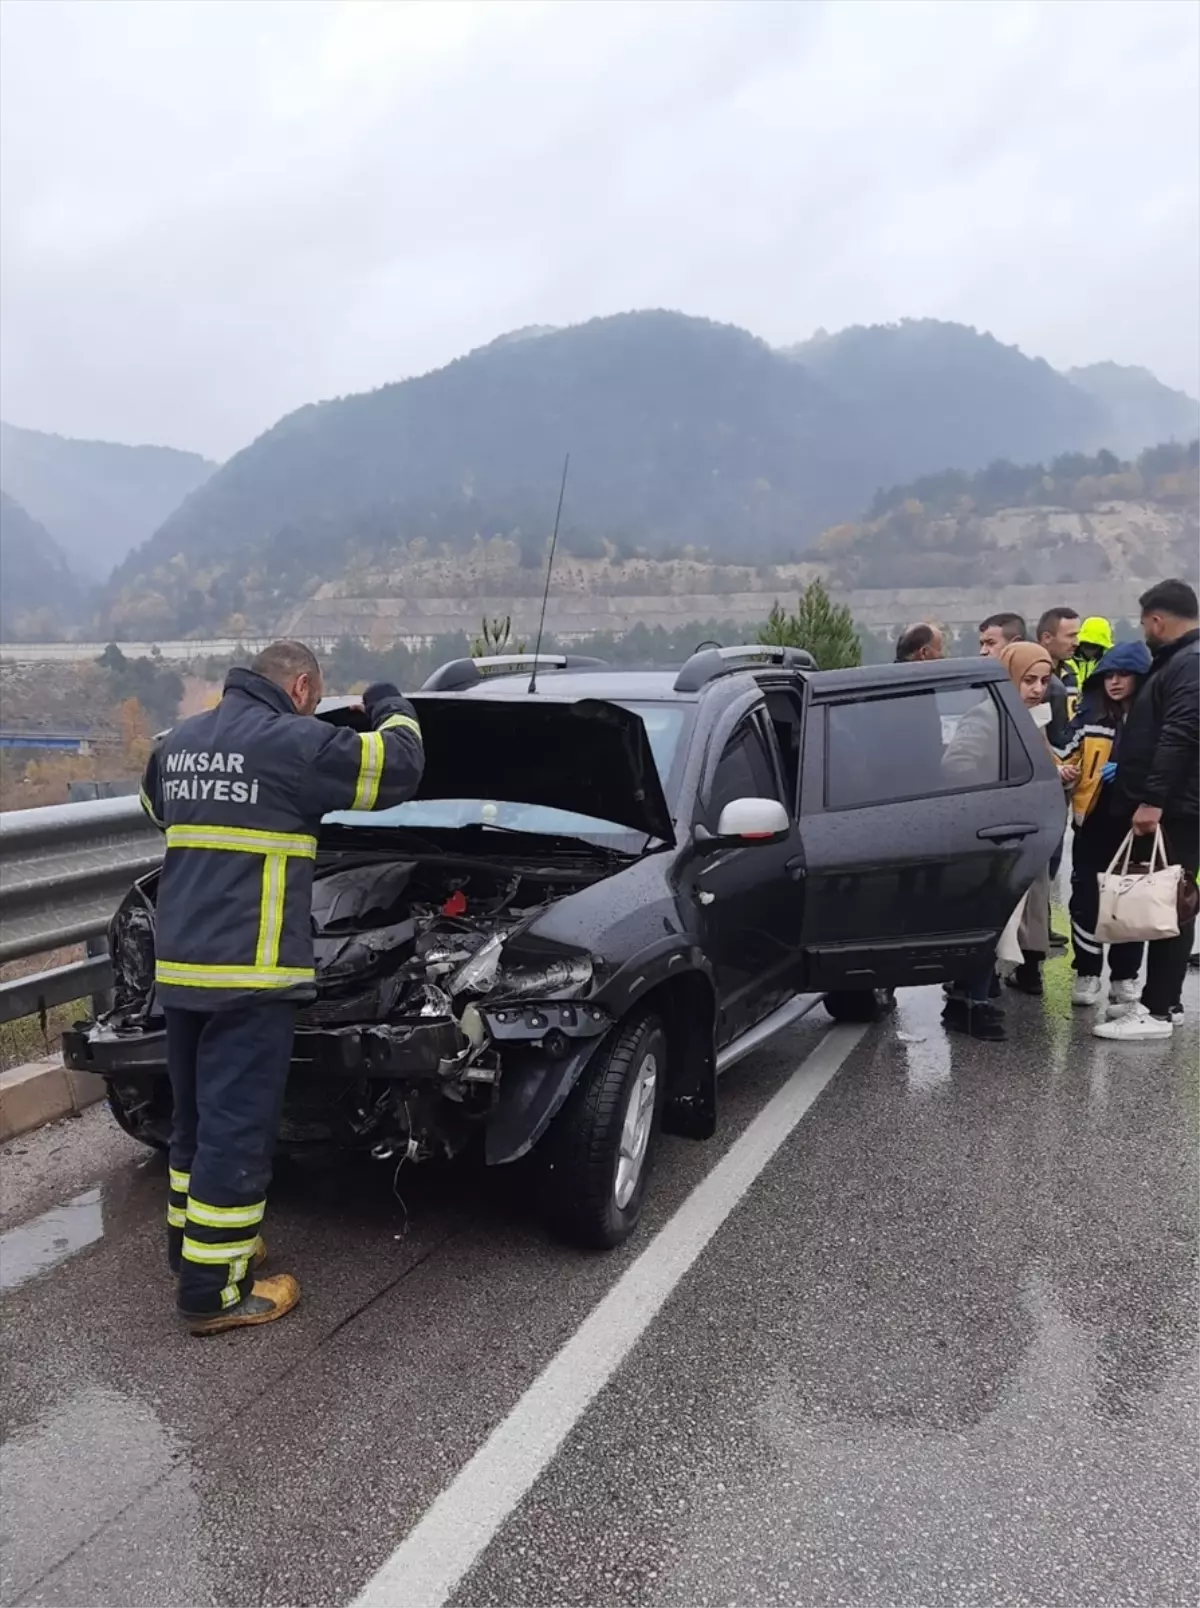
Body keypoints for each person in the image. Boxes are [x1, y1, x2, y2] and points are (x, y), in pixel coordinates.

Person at [139, 641, 425, 1334]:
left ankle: (194, 1249)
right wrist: (387, 701)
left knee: (197, 1124)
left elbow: (156, 808)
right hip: (251, 974)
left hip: (182, 971)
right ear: (301, 687)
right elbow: (398, 769)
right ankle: (215, 1294)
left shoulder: (179, 742)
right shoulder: (294, 744)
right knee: (238, 1130)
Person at [940, 641, 1065, 1038]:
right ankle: (973, 1004)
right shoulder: (988, 716)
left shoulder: (1024, 717)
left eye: (1044, 681)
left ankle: (970, 998)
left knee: (999, 923)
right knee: (989, 921)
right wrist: (1004, 797)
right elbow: (957, 765)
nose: (1037, 689)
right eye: (1029, 680)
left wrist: (1057, 774)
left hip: (1018, 835)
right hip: (993, 836)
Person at [1094, 579, 1200, 1041]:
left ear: (1158, 620)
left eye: (1145, 623)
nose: (1145, 631)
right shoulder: (1181, 661)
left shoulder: (1189, 665)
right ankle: (1166, 1001)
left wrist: (1153, 799)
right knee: (1169, 899)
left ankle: (1158, 1010)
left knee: (1169, 902)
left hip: (1176, 805)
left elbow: (1180, 735)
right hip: (1174, 802)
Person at [1054, 640, 1153, 1008]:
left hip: (1138, 823)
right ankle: (1088, 972)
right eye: (1109, 674)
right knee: (1086, 899)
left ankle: (1125, 977)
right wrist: (1065, 773)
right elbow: (1064, 754)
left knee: (1132, 900)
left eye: (1124, 674)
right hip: (1094, 822)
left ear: (1141, 678)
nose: (1114, 682)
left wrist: (1128, 774)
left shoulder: (1155, 722)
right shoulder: (1089, 719)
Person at [1068, 616, 1114, 687]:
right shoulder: (1066, 661)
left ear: (1101, 647)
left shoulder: (1111, 664)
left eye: (1094, 646)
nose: (1089, 650)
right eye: (1086, 644)